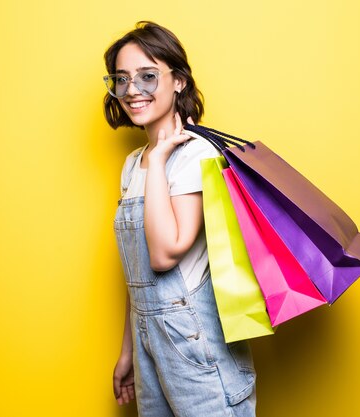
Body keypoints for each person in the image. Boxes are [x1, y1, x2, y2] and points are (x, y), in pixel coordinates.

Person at [103, 21, 257, 416]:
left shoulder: (197, 156)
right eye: (121, 79)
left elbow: (165, 253)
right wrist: (129, 350)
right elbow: (137, 271)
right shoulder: (132, 164)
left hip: (194, 345)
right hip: (148, 345)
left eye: (148, 76)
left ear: (179, 82)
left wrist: (159, 160)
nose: (132, 90)